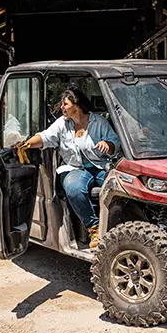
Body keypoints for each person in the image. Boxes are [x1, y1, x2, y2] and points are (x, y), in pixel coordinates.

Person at [18, 89, 120, 249]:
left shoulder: (99, 122)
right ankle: (94, 229)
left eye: (65, 104)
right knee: (74, 189)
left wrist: (108, 144)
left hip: (99, 166)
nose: (62, 108)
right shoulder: (62, 124)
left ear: (77, 104)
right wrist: (27, 144)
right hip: (75, 168)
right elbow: (46, 137)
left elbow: (114, 140)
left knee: (121, 184)